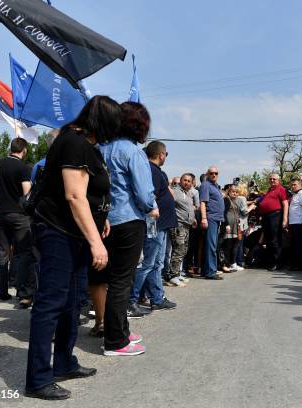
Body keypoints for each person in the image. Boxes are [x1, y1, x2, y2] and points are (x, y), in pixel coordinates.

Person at [26, 96, 119, 400]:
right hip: (58, 232)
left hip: (75, 232)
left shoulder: (87, 146)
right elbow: (75, 196)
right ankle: (38, 379)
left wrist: (99, 220)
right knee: (51, 302)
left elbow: (89, 196)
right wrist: (96, 243)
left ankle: (64, 362)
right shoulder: (75, 143)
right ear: (103, 122)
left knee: (72, 302)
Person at [97, 102, 159, 354]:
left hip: (106, 220)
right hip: (129, 219)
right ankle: (115, 341)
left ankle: (120, 330)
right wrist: (151, 207)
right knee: (123, 281)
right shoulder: (133, 152)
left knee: (114, 280)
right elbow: (144, 194)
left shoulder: (102, 149)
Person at [130, 140, 178, 312]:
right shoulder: (150, 171)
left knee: (157, 264)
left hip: (162, 225)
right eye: (166, 154)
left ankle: (157, 298)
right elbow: (148, 197)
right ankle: (131, 300)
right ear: (161, 154)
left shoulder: (157, 171)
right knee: (147, 264)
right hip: (154, 224)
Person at [0, 137, 36, 306]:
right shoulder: (22, 167)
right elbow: (27, 193)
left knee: (2, 253)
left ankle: (2, 292)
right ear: (23, 150)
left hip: (1, 213)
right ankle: (23, 294)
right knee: (24, 253)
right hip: (19, 215)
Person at [168, 173, 197, 286]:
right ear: (181, 181)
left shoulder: (188, 193)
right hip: (178, 225)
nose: (187, 182)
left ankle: (177, 273)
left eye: (189, 181)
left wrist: (193, 219)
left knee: (183, 250)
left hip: (187, 226)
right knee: (178, 250)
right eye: (185, 180)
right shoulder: (175, 191)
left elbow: (188, 208)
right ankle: (172, 275)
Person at [256, 174, 289, 271]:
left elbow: (285, 204)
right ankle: (270, 261)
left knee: (275, 239)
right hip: (267, 216)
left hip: (275, 215)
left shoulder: (281, 189)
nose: (272, 180)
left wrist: (285, 219)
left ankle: (277, 262)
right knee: (268, 238)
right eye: (270, 179)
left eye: (274, 179)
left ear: (278, 180)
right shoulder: (270, 190)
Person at [200, 166, 225, 280]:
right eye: (211, 173)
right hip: (210, 218)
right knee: (211, 245)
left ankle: (207, 270)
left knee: (211, 245)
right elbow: (203, 203)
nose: (214, 175)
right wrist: (204, 218)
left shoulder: (216, 187)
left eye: (216, 173)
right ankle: (211, 271)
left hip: (216, 219)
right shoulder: (206, 185)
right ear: (207, 174)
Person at [288, 178, 302, 270]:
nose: (292, 186)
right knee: (293, 244)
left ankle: (299, 265)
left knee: (298, 245)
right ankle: (294, 263)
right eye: (291, 185)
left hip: (299, 222)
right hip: (292, 222)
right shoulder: (294, 195)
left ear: (300, 185)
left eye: (295, 184)